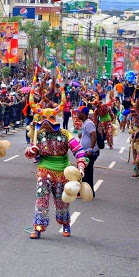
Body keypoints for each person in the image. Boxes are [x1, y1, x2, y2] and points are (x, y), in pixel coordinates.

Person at [24, 67, 88, 239]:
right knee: (41, 199)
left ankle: (66, 224)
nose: (46, 125)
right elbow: (30, 152)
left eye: (49, 122)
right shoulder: (39, 134)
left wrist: (80, 167)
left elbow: (79, 151)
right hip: (44, 170)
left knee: (62, 201)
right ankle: (37, 227)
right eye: (43, 122)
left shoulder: (65, 134)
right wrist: (32, 151)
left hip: (62, 171)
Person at [77, 106, 99, 197]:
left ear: (84, 114)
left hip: (90, 152)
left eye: (79, 112)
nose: (77, 114)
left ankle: (88, 192)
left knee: (86, 172)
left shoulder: (88, 123)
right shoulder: (85, 123)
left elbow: (94, 136)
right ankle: (87, 192)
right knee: (86, 171)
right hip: (86, 151)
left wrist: (90, 149)